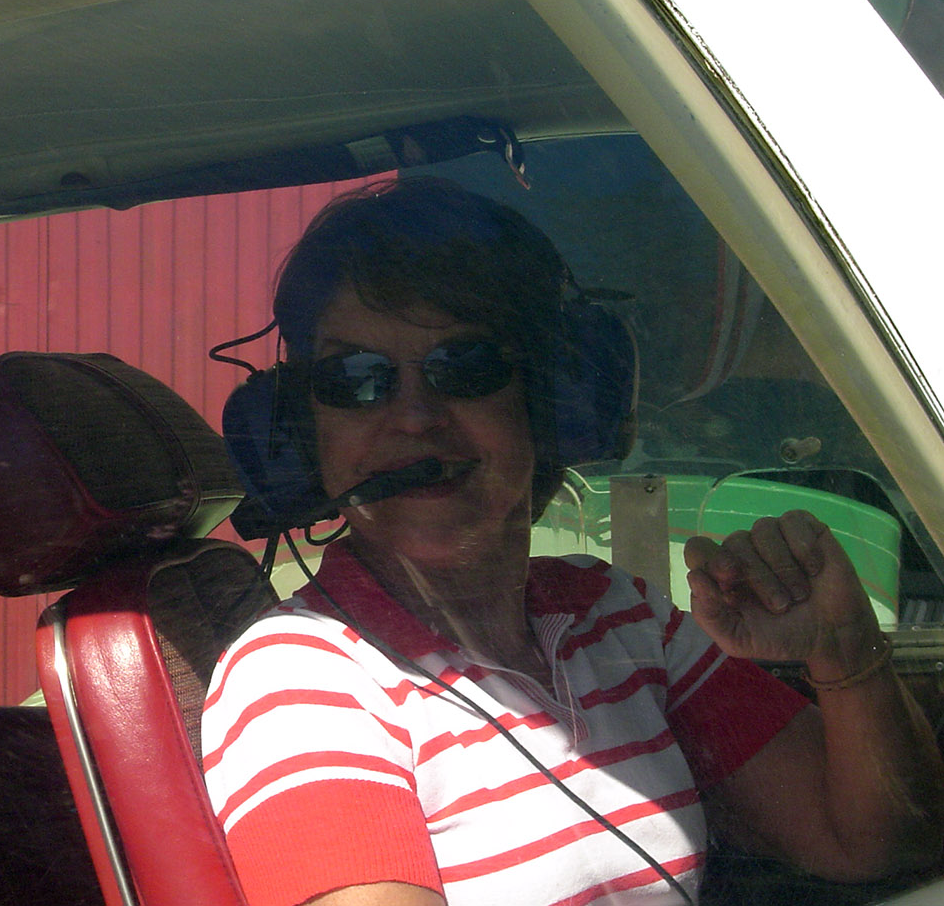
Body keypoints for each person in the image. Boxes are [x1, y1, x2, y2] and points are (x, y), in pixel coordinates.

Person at [201, 177, 943, 906]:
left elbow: (869, 843)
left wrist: (843, 649)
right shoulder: (301, 678)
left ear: (555, 398)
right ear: (303, 430)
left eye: (465, 366)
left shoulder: (620, 616)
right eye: (355, 377)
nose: (415, 417)